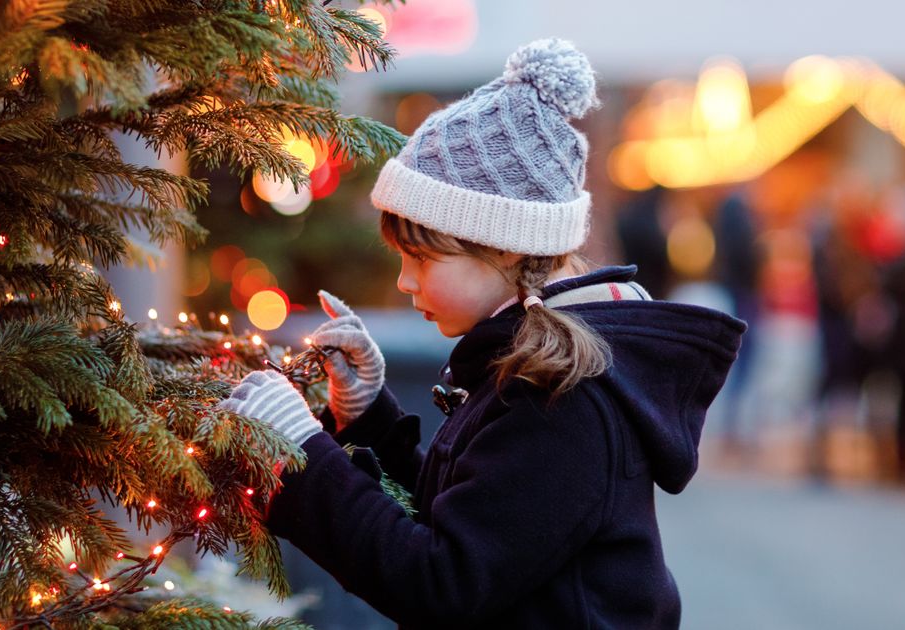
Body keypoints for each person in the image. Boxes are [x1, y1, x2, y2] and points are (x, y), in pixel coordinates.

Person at [219, 39, 746, 629]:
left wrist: (303, 454)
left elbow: (442, 581)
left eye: (422, 259)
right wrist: (371, 418)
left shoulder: (563, 399)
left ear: (502, 246)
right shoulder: (525, 363)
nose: (405, 281)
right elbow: (474, 518)